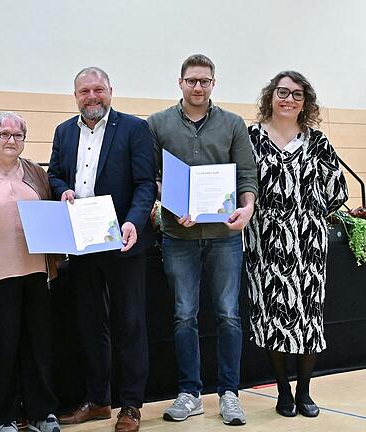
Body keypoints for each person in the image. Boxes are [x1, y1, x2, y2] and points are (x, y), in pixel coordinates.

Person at [147, 54, 257, 426]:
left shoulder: (232, 123)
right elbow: (151, 177)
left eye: (205, 81)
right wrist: (169, 203)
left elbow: (246, 175)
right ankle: (189, 393)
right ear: (180, 82)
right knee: (183, 315)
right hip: (179, 235)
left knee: (228, 314)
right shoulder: (157, 124)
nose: (198, 87)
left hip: (224, 236)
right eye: (192, 80)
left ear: (213, 83)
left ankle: (229, 393)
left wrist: (247, 208)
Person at [49, 67, 156, 432]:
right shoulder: (64, 131)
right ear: (75, 94)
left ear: (110, 90)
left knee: (129, 323)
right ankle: (97, 400)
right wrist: (61, 189)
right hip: (82, 241)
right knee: (90, 324)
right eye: (84, 91)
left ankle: (130, 405)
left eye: (98, 89)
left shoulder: (134, 129)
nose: (91, 96)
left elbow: (145, 185)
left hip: (123, 240)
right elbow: (55, 174)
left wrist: (133, 222)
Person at [246, 71, 348, 418]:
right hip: (265, 242)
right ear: (270, 96)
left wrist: (309, 208)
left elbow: (337, 193)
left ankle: (304, 391)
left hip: (308, 243)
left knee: (308, 318)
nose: (289, 99)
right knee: (273, 315)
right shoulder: (250, 139)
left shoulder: (317, 142)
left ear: (306, 102)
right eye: (283, 92)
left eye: (297, 95)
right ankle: (283, 391)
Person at [0, 112, 61, 432]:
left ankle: (41, 413)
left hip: (34, 273)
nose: (11, 141)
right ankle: (4, 418)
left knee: (37, 348)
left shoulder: (36, 173)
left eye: (18, 136)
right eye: (4, 134)